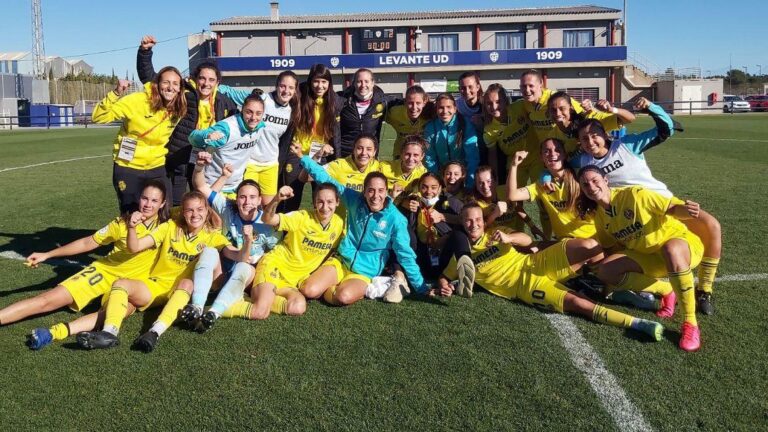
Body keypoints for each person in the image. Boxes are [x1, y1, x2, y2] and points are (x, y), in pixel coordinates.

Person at [573, 98, 721, 314]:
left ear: (605, 133)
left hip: (659, 202)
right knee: (635, 254)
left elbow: (666, 128)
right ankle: (656, 288)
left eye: (595, 135)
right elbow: (558, 164)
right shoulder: (582, 162)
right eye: (584, 139)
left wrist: (651, 107)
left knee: (712, 226)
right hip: (627, 214)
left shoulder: (627, 145)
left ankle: (705, 290)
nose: (590, 141)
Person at [434, 203, 664, 342]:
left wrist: (509, 238)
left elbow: (525, 239)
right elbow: (445, 275)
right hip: (523, 287)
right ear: (462, 224)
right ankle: (637, 323)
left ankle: (608, 287)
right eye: (468, 221)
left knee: (590, 247)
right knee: (578, 303)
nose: (473, 224)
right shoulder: (461, 256)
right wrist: (444, 284)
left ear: (483, 221)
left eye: (477, 220)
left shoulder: (496, 232)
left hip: (534, 262)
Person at [13, 182, 168, 350]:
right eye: (145, 198)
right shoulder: (121, 223)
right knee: (46, 300)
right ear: (139, 198)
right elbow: (87, 242)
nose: (148, 204)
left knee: (113, 313)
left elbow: (197, 205)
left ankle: (54, 332)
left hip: (134, 285)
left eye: (154, 200)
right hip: (105, 270)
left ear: (163, 204)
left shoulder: (168, 224)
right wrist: (47, 254)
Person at [75, 191, 229, 351]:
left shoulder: (213, 236)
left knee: (187, 282)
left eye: (199, 209)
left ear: (207, 211)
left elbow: (234, 254)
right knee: (121, 284)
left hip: (182, 291)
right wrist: (132, 228)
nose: (195, 214)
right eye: (190, 210)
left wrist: (246, 244)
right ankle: (108, 333)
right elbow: (135, 247)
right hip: (156, 285)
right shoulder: (170, 227)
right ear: (183, 212)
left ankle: (154, 332)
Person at [577, 166, 706, 351]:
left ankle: (690, 323)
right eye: (585, 184)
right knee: (605, 270)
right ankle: (666, 289)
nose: (591, 186)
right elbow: (611, 248)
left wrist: (687, 210)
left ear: (606, 180)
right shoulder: (600, 217)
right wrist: (602, 275)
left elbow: (672, 208)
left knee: (671, 248)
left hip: (682, 248)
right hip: (650, 258)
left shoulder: (635, 195)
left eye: (595, 180)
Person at [289, 142, 429, 306]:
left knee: (343, 297)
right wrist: (302, 157)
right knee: (309, 291)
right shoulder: (354, 199)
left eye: (380, 191)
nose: (375, 196)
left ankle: (362, 287)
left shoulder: (396, 219)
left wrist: (421, 287)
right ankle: (335, 286)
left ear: (386, 192)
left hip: (365, 271)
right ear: (364, 191)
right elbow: (325, 178)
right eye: (370, 190)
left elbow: (405, 254)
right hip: (341, 260)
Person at [177, 152, 281, 335]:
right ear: (236, 197)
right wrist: (200, 166)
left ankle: (213, 314)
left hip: (244, 277)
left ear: (259, 200)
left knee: (244, 266)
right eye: (242, 197)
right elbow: (201, 185)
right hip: (221, 273)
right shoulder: (227, 207)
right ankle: (197, 307)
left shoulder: (267, 225)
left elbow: (273, 254)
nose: (246, 202)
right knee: (209, 252)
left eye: (252, 197)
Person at [137, 35, 239, 205]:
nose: (206, 83)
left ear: (217, 82)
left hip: (206, 160)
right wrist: (145, 52)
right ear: (195, 78)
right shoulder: (184, 95)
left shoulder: (224, 102)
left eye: (211, 80)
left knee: (200, 203)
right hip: (179, 157)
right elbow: (150, 79)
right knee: (175, 203)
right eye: (202, 78)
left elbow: (238, 123)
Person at [223, 182, 345, 320]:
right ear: (314, 203)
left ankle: (260, 295)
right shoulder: (301, 217)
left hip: (292, 280)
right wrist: (277, 199)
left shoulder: (338, 224)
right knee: (260, 312)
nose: (325, 207)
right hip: (274, 266)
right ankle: (213, 310)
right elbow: (267, 219)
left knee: (298, 306)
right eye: (320, 202)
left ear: (337, 202)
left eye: (330, 202)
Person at [92, 67, 185, 213]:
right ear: (157, 84)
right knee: (131, 215)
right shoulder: (137, 100)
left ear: (180, 88)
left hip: (157, 167)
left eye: (175, 84)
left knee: (165, 213)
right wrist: (116, 93)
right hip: (128, 165)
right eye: (166, 82)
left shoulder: (178, 108)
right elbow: (99, 117)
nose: (170, 87)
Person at [218, 71, 301, 206]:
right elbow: (234, 95)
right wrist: (217, 87)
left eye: (291, 88)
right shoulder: (262, 99)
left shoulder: (292, 111)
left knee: (268, 206)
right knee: (248, 204)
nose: (286, 91)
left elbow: (282, 140)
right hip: (250, 162)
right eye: (282, 86)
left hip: (270, 164)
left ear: (295, 90)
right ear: (276, 85)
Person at [282, 64, 343, 212]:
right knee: (292, 197)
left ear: (329, 84)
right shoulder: (299, 96)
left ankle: (319, 231)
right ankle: (287, 232)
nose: (320, 86)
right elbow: (279, 94)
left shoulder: (335, 102)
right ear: (310, 82)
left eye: (324, 82)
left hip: (319, 153)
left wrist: (333, 153)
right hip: (296, 152)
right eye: (316, 81)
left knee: (322, 197)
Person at [506, 141, 595, 240]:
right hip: (567, 241)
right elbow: (512, 196)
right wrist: (514, 165)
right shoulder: (541, 185)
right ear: (541, 157)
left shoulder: (580, 176)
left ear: (564, 154)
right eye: (547, 151)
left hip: (594, 236)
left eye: (557, 150)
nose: (552, 154)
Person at [188, 94, 266, 198]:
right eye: (249, 112)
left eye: (258, 113)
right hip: (213, 185)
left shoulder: (260, 127)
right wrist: (206, 136)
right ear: (242, 110)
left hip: (236, 186)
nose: (253, 118)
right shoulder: (227, 128)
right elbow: (192, 137)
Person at [399, 172, 463, 279]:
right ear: (418, 188)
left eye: (433, 187)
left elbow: (466, 222)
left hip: (444, 249)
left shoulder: (451, 202)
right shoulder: (413, 203)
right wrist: (402, 203)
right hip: (422, 250)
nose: (429, 192)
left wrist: (444, 220)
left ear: (440, 188)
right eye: (424, 187)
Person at [545, 91, 635, 155]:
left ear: (571, 109)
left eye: (562, 108)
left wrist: (611, 109)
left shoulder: (590, 120)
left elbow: (629, 118)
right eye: (553, 110)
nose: (557, 113)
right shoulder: (552, 136)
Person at [423, 94, 480, 187]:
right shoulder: (431, 127)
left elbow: (472, 155)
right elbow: (429, 157)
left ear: (455, 109)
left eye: (449, 107)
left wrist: (469, 182)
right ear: (436, 109)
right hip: (442, 176)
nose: (445, 111)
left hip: (462, 176)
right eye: (441, 108)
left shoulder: (465, 124)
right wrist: (438, 180)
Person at [337, 68, 395, 157]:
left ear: (373, 83)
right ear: (354, 84)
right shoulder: (341, 99)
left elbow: (407, 104)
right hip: (345, 154)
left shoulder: (383, 101)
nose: (363, 85)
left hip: (368, 154)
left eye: (366, 81)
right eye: (359, 81)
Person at [384, 86, 433, 159]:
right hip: (401, 155)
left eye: (418, 103)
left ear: (424, 103)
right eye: (410, 103)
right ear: (405, 102)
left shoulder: (431, 114)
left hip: (423, 156)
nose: (414, 107)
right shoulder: (394, 113)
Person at [380, 135, 428, 201]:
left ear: (422, 156)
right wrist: (391, 196)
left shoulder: (422, 173)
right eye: (407, 154)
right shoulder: (384, 168)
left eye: (416, 155)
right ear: (401, 153)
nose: (411, 158)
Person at [456, 71, 488, 165]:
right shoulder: (457, 105)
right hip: (466, 149)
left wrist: (482, 126)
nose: (467, 91)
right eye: (463, 88)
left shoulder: (487, 104)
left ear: (478, 87)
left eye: (470, 87)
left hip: (486, 147)